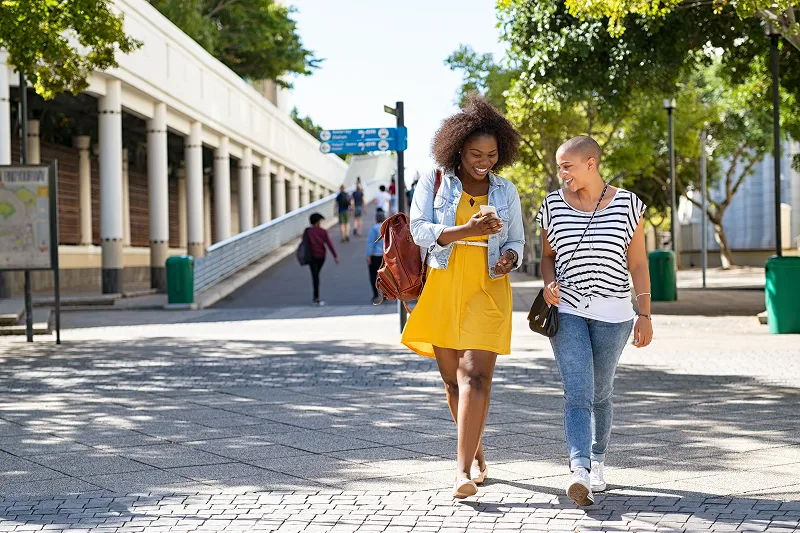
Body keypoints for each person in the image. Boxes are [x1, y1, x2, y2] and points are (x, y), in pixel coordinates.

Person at [400, 94, 524, 499]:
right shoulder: (435, 180)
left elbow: (518, 242)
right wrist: (467, 230)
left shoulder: (506, 190)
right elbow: (419, 229)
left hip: (488, 287)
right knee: (453, 382)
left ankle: (462, 472)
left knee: (476, 375)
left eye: (491, 154)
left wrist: (509, 257)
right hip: (444, 283)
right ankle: (477, 452)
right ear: (457, 149)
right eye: (475, 153)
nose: (483, 160)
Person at [537, 135, 653, 506]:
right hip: (568, 310)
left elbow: (637, 263)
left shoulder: (629, 204)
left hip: (615, 314)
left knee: (601, 393)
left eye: (567, 166)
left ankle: (598, 459)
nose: (562, 173)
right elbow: (546, 256)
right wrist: (549, 283)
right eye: (559, 167)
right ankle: (580, 470)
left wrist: (645, 313)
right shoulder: (552, 205)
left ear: (591, 163)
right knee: (578, 392)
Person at [305, 212, 339, 306]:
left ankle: (316, 297)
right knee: (316, 275)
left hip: (311, 256)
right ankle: (316, 297)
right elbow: (329, 243)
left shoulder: (308, 231)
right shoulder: (323, 231)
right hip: (321, 257)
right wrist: (335, 256)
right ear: (317, 222)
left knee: (315, 275)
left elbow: (304, 244)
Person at [365, 209, 387, 305]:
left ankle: (375, 293)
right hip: (384, 256)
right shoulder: (386, 228)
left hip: (375, 255)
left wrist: (368, 255)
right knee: (384, 276)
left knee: (373, 276)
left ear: (376, 219)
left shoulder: (373, 229)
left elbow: (371, 243)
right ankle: (385, 294)